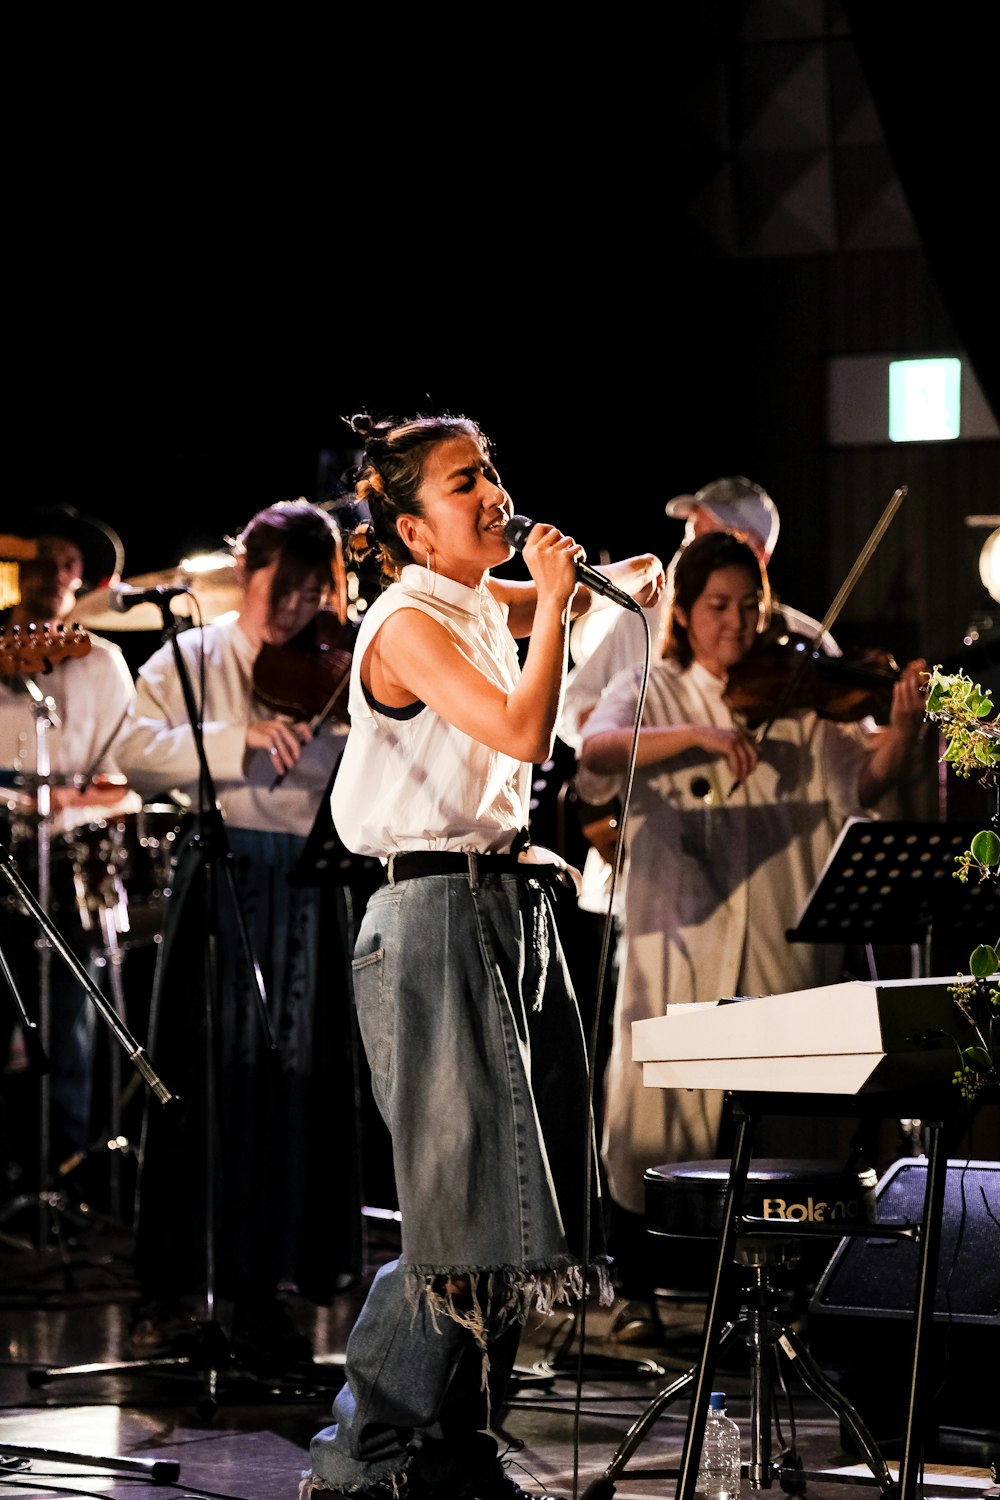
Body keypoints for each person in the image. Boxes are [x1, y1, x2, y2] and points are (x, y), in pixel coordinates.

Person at [303, 411, 665, 1500]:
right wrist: (557, 597)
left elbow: (593, 593)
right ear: (416, 531)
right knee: (461, 1215)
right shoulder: (406, 623)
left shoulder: (465, 599)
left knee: (516, 1211)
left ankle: (450, 1452)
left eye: (493, 469)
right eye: (467, 482)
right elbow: (520, 730)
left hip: (506, 905)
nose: (494, 491)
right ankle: (361, 1459)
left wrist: (598, 581)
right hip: (433, 916)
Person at [576, 531, 927, 1334]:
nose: (737, 624)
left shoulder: (799, 694)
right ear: (687, 615)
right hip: (678, 935)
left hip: (776, 932)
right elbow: (596, 756)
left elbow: (862, 781)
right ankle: (646, 1288)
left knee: (777, 1114)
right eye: (718, 608)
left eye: (750, 607)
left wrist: (901, 729)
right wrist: (699, 738)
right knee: (661, 1111)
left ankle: (771, 1293)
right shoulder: (651, 687)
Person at [115, 498, 366, 1376]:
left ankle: (266, 1293)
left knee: (296, 1089)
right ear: (246, 572)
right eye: (283, 589)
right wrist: (237, 737)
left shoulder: (338, 664)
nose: (297, 610)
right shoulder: (195, 657)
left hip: (308, 885)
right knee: (198, 1080)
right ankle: (172, 1292)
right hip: (221, 882)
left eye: (313, 592)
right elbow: (135, 751)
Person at [0, 505, 140, 1208]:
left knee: (70, 1027)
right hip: (2, 851)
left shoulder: (106, 664)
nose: (49, 575)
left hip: (70, 861)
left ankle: (68, 1178)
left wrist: (65, 806)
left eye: (64, 564)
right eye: (37, 560)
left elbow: (127, 778)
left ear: (80, 579)